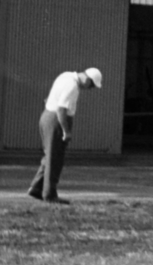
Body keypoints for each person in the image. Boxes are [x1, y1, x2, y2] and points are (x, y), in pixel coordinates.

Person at [28, 67, 103, 204]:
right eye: (91, 85)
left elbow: (49, 98)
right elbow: (61, 109)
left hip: (47, 115)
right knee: (55, 159)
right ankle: (50, 195)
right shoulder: (72, 86)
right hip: (56, 120)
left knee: (49, 156)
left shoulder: (65, 75)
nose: (90, 89)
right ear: (87, 79)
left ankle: (36, 188)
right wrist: (66, 130)